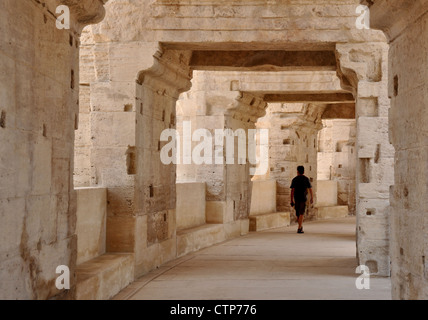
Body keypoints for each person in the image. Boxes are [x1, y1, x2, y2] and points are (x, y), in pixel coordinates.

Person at [290, 166, 313, 234]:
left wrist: (291, 200)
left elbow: (292, 191)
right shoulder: (306, 179)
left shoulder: (294, 179)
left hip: (296, 198)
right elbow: (310, 189)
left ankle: (299, 227)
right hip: (303, 198)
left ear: (297, 171)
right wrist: (312, 198)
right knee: (301, 213)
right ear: (303, 171)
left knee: (298, 212)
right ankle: (300, 226)